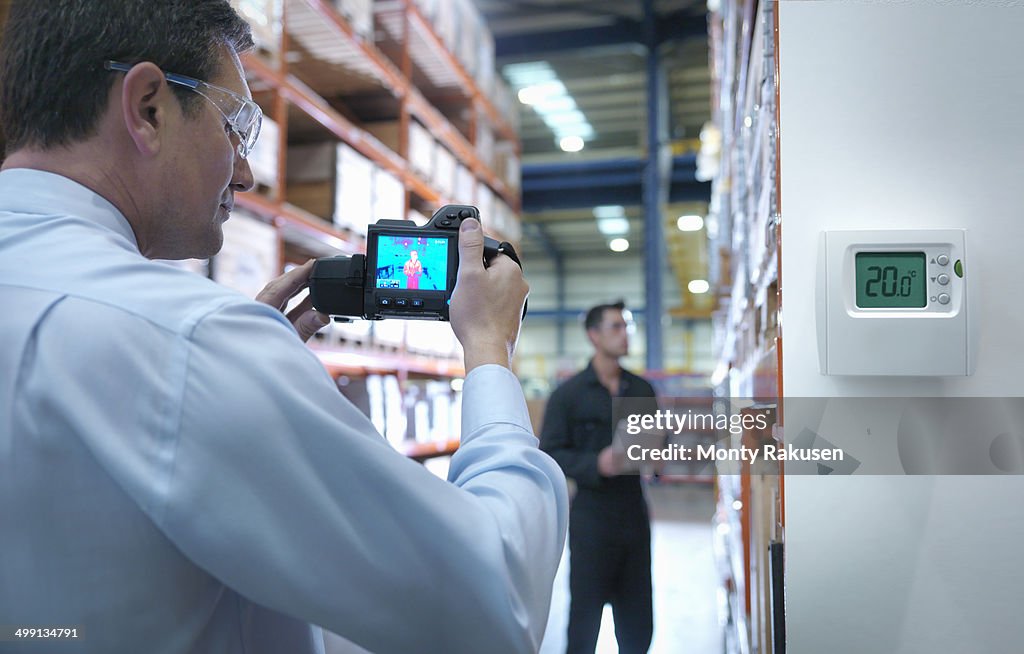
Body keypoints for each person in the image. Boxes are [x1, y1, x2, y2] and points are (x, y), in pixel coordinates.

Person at [0, 2, 567, 653]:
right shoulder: (193, 341)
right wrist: (490, 350)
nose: (247, 171)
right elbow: (496, 604)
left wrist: (244, 377)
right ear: (149, 107)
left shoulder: (187, 344)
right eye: (236, 126)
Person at [539, 301, 657, 654]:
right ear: (594, 335)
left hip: (634, 516)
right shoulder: (568, 396)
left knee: (638, 624)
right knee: (584, 622)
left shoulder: (641, 390)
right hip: (592, 521)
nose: (625, 334)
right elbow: (551, 455)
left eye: (627, 326)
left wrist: (658, 454)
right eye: (615, 327)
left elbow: (653, 442)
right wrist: (596, 464)